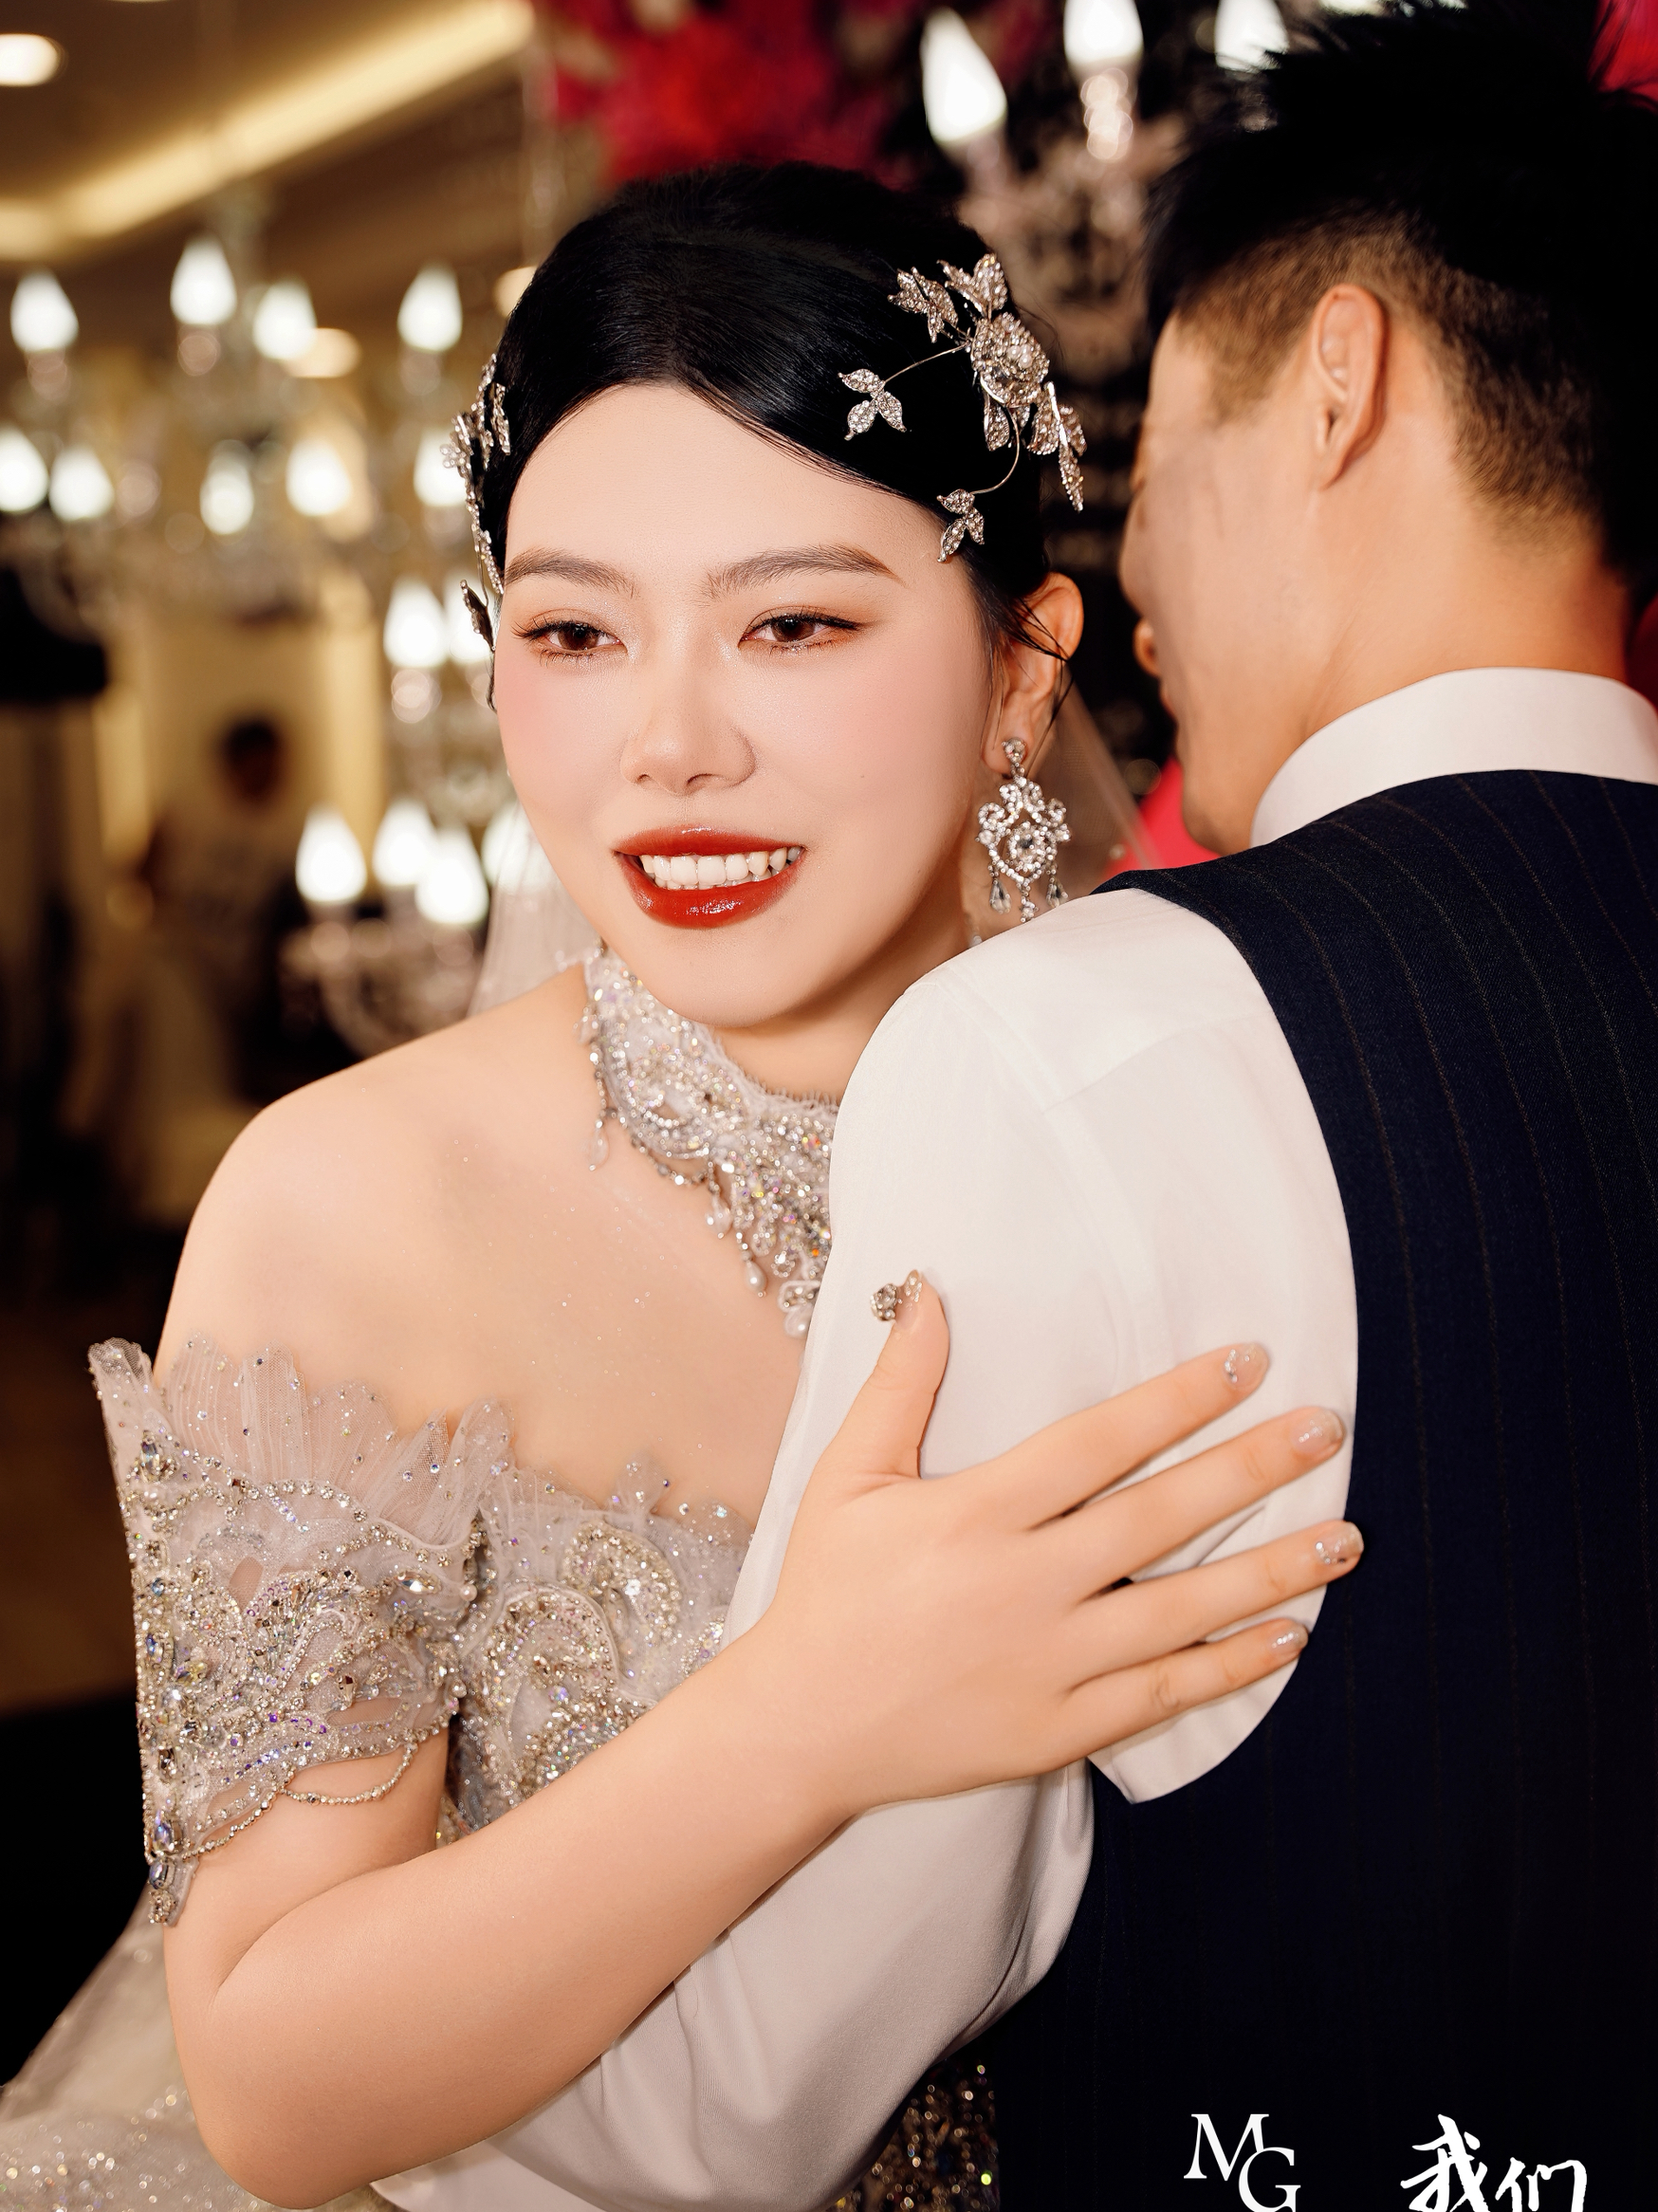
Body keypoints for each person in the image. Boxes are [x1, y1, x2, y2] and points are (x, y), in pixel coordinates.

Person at [0, 169, 1364, 2211]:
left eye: (794, 622)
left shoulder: (1209, 1105)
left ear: (1023, 665)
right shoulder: (356, 1204)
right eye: (573, 630)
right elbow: (272, 2077)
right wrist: (803, 1716)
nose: (667, 745)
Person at [558, 3, 1653, 2204]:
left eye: (1160, 459)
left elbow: (759, 2074)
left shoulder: (1079, 1045)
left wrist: (374, 2089)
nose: (1132, 588)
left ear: (1335, 380)